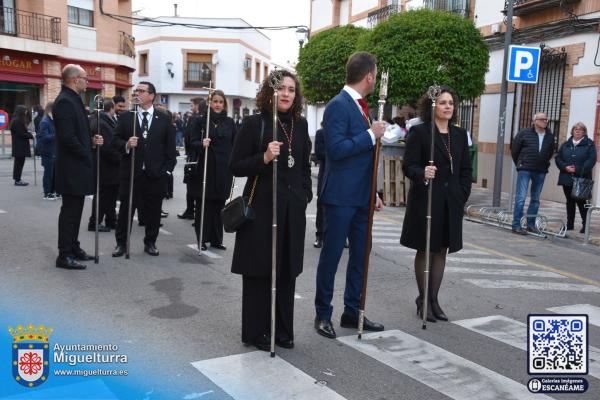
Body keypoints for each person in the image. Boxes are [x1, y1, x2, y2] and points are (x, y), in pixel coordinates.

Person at [229, 70, 312, 351]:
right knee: (259, 271)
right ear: (270, 93)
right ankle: (257, 331)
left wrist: (304, 195)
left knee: (287, 271)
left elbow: (302, 167)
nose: (287, 94)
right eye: (281, 89)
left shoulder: (300, 126)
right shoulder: (255, 124)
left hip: (292, 212)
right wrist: (263, 158)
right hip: (261, 210)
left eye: (291, 89)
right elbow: (236, 165)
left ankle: (283, 330)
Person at [314, 52, 386, 340]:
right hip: (340, 196)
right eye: (375, 74)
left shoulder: (361, 106)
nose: (376, 78)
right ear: (369, 76)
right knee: (331, 256)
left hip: (361, 196)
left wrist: (374, 192)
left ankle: (352, 311)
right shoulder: (337, 106)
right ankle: (323, 314)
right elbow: (336, 149)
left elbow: (366, 158)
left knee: (361, 255)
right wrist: (370, 135)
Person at [400, 86, 472, 322]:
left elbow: (465, 169)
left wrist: (462, 194)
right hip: (426, 198)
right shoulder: (420, 133)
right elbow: (408, 165)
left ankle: (433, 299)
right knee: (426, 248)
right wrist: (423, 172)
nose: (448, 106)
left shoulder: (460, 135)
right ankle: (423, 299)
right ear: (432, 106)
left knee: (442, 249)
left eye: (451, 102)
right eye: (442, 102)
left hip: (451, 201)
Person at [111, 81, 177, 257]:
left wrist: (166, 172)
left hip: (155, 175)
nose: (136, 94)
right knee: (126, 210)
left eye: (141, 91)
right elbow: (114, 141)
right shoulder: (126, 117)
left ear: (151, 95)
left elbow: (171, 151)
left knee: (154, 211)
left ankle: (150, 242)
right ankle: (121, 244)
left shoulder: (164, 119)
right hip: (131, 173)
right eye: (135, 91)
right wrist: (126, 144)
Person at [53, 64, 103, 270]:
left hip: (77, 167)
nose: (87, 82)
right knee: (70, 213)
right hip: (72, 168)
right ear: (74, 80)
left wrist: (91, 141)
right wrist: (86, 153)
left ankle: (73, 248)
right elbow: (67, 138)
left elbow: (78, 134)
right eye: (85, 78)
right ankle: (64, 255)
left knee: (76, 210)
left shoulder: (73, 100)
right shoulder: (65, 102)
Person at [189, 90, 235, 250]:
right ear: (209, 103)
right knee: (204, 205)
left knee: (219, 205)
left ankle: (216, 239)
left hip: (223, 170)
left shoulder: (230, 122)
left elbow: (235, 145)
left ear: (224, 105)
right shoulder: (200, 121)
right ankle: (202, 238)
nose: (217, 105)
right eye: (215, 101)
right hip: (205, 168)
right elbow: (190, 143)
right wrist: (201, 144)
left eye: (221, 102)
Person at [511, 112, 555, 234]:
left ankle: (531, 224)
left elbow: (550, 152)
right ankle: (516, 225)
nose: (545, 121)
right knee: (521, 197)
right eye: (542, 119)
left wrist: (544, 162)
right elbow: (515, 150)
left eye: (546, 119)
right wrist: (520, 164)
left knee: (535, 198)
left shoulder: (550, 136)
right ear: (535, 121)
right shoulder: (524, 133)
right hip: (525, 168)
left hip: (541, 170)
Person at [555, 122, 596, 233]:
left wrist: (577, 169)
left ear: (584, 132)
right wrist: (565, 167)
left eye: (580, 129)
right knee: (570, 201)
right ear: (572, 131)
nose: (578, 131)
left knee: (582, 201)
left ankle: (585, 225)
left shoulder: (589, 145)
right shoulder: (566, 144)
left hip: (581, 178)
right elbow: (558, 158)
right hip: (567, 177)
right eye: (575, 129)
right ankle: (570, 224)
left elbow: (591, 160)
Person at [87, 99, 121, 232]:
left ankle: (110, 220)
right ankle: (95, 222)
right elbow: (107, 147)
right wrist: (121, 158)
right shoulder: (102, 123)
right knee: (103, 196)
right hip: (105, 166)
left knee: (111, 196)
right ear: (110, 109)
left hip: (108, 166)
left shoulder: (100, 120)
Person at [179, 97, 206, 220]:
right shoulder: (207, 119)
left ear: (198, 106)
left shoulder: (194, 119)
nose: (191, 108)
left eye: (192, 105)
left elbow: (188, 138)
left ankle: (190, 210)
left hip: (194, 156)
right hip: (202, 155)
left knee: (191, 185)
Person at [37, 102, 56, 199]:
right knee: (48, 172)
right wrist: (57, 135)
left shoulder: (52, 120)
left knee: (53, 172)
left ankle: (53, 190)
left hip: (53, 150)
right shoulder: (45, 121)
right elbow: (44, 137)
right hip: (47, 151)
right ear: (50, 111)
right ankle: (47, 192)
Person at [10, 105, 33, 187]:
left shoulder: (17, 120)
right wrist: (31, 135)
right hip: (19, 145)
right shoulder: (17, 121)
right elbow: (21, 133)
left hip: (19, 145)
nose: (26, 113)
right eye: (25, 111)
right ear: (21, 112)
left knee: (19, 163)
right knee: (19, 163)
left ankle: (17, 178)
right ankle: (17, 179)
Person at [313, 122, 325, 248]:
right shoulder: (321, 133)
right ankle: (319, 236)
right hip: (325, 176)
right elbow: (319, 154)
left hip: (340, 178)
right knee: (321, 208)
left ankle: (342, 237)